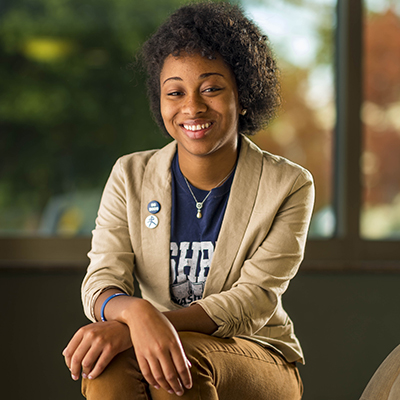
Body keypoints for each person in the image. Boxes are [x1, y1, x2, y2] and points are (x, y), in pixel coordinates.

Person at [62, 2, 315, 399]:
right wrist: (137, 314)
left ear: (243, 94)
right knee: (106, 368)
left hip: (259, 351)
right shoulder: (130, 175)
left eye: (211, 89)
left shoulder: (289, 185)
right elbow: (102, 278)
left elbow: (253, 301)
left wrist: (153, 326)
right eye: (175, 92)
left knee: (177, 367)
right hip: (155, 342)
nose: (192, 107)